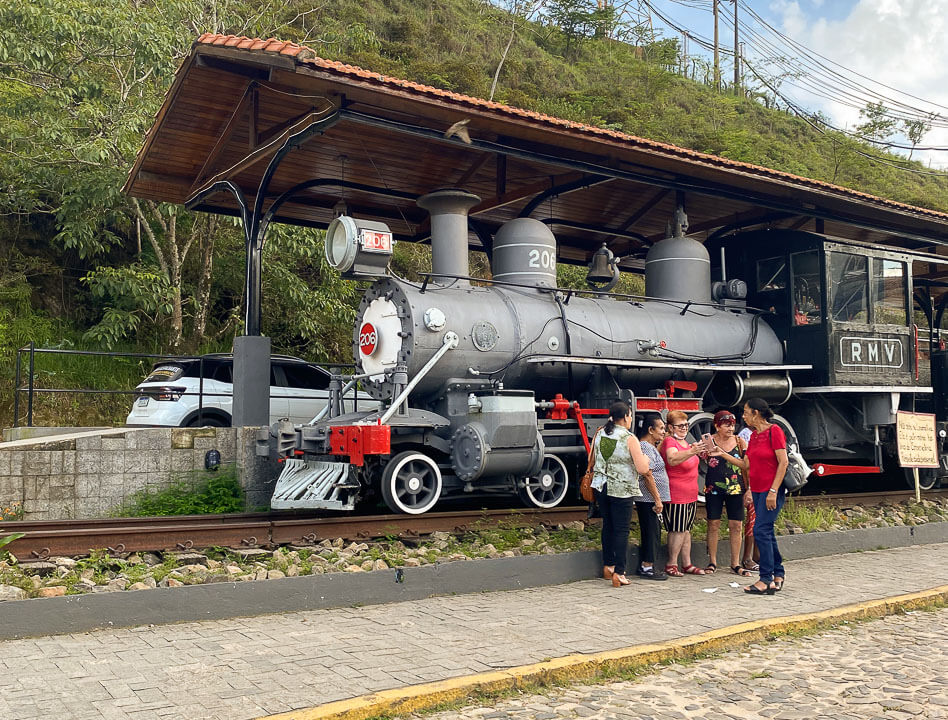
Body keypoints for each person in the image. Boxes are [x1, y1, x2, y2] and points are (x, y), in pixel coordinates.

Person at [584, 401, 652, 587]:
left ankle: (608, 567)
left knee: (608, 526)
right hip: (622, 488)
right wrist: (646, 458)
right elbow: (642, 468)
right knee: (622, 529)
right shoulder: (629, 438)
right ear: (624, 417)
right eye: (630, 416)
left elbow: (592, 457)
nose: (630, 419)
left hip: (601, 486)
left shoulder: (599, 433)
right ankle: (620, 573)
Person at [741, 397, 789, 595]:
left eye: (746, 411)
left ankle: (766, 579)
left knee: (761, 530)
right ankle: (778, 574)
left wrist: (773, 491)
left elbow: (783, 462)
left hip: (771, 491)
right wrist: (720, 453)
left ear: (756, 413)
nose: (743, 416)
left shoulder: (774, 431)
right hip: (759, 490)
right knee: (766, 531)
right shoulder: (754, 436)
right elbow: (746, 465)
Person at [703, 410, 750, 576]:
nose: (731, 429)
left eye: (732, 425)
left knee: (736, 525)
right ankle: (712, 561)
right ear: (717, 426)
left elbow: (745, 466)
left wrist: (749, 489)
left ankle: (735, 563)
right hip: (713, 487)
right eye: (726, 425)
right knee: (713, 523)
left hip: (736, 487)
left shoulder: (739, 441)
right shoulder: (709, 441)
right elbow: (697, 460)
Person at [659, 410, 706, 576]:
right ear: (671, 427)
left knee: (686, 530)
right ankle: (671, 563)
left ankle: (687, 563)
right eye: (680, 426)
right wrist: (693, 451)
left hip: (691, 494)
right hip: (676, 494)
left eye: (686, 425)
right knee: (677, 529)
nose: (684, 428)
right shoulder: (670, 442)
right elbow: (672, 459)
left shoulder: (686, 443)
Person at [633, 413, 669, 580]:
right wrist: (657, 498)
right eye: (661, 428)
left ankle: (648, 565)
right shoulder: (646, 447)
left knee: (653, 531)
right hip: (648, 499)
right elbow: (648, 474)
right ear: (650, 429)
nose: (664, 431)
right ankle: (647, 567)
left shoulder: (649, 446)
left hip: (649, 499)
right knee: (651, 532)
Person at [737, 425, 759, 572]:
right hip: (753, 480)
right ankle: (747, 557)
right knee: (752, 520)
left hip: (762, 480)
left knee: (759, 519)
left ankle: (757, 555)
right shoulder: (745, 434)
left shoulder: (765, 433)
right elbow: (747, 463)